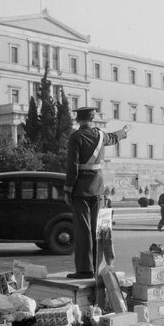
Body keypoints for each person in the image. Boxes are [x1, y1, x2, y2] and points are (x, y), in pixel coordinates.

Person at [64, 106, 130, 279]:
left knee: (83, 231)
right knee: (96, 231)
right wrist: (124, 131)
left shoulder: (76, 137)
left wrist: (68, 189)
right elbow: (114, 137)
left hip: (81, 190)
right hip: (98, 189)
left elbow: (73, 166)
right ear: (93, 119)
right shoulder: (101, 135)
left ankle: (84, 270)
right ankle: (96, 268)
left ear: (78, 120)